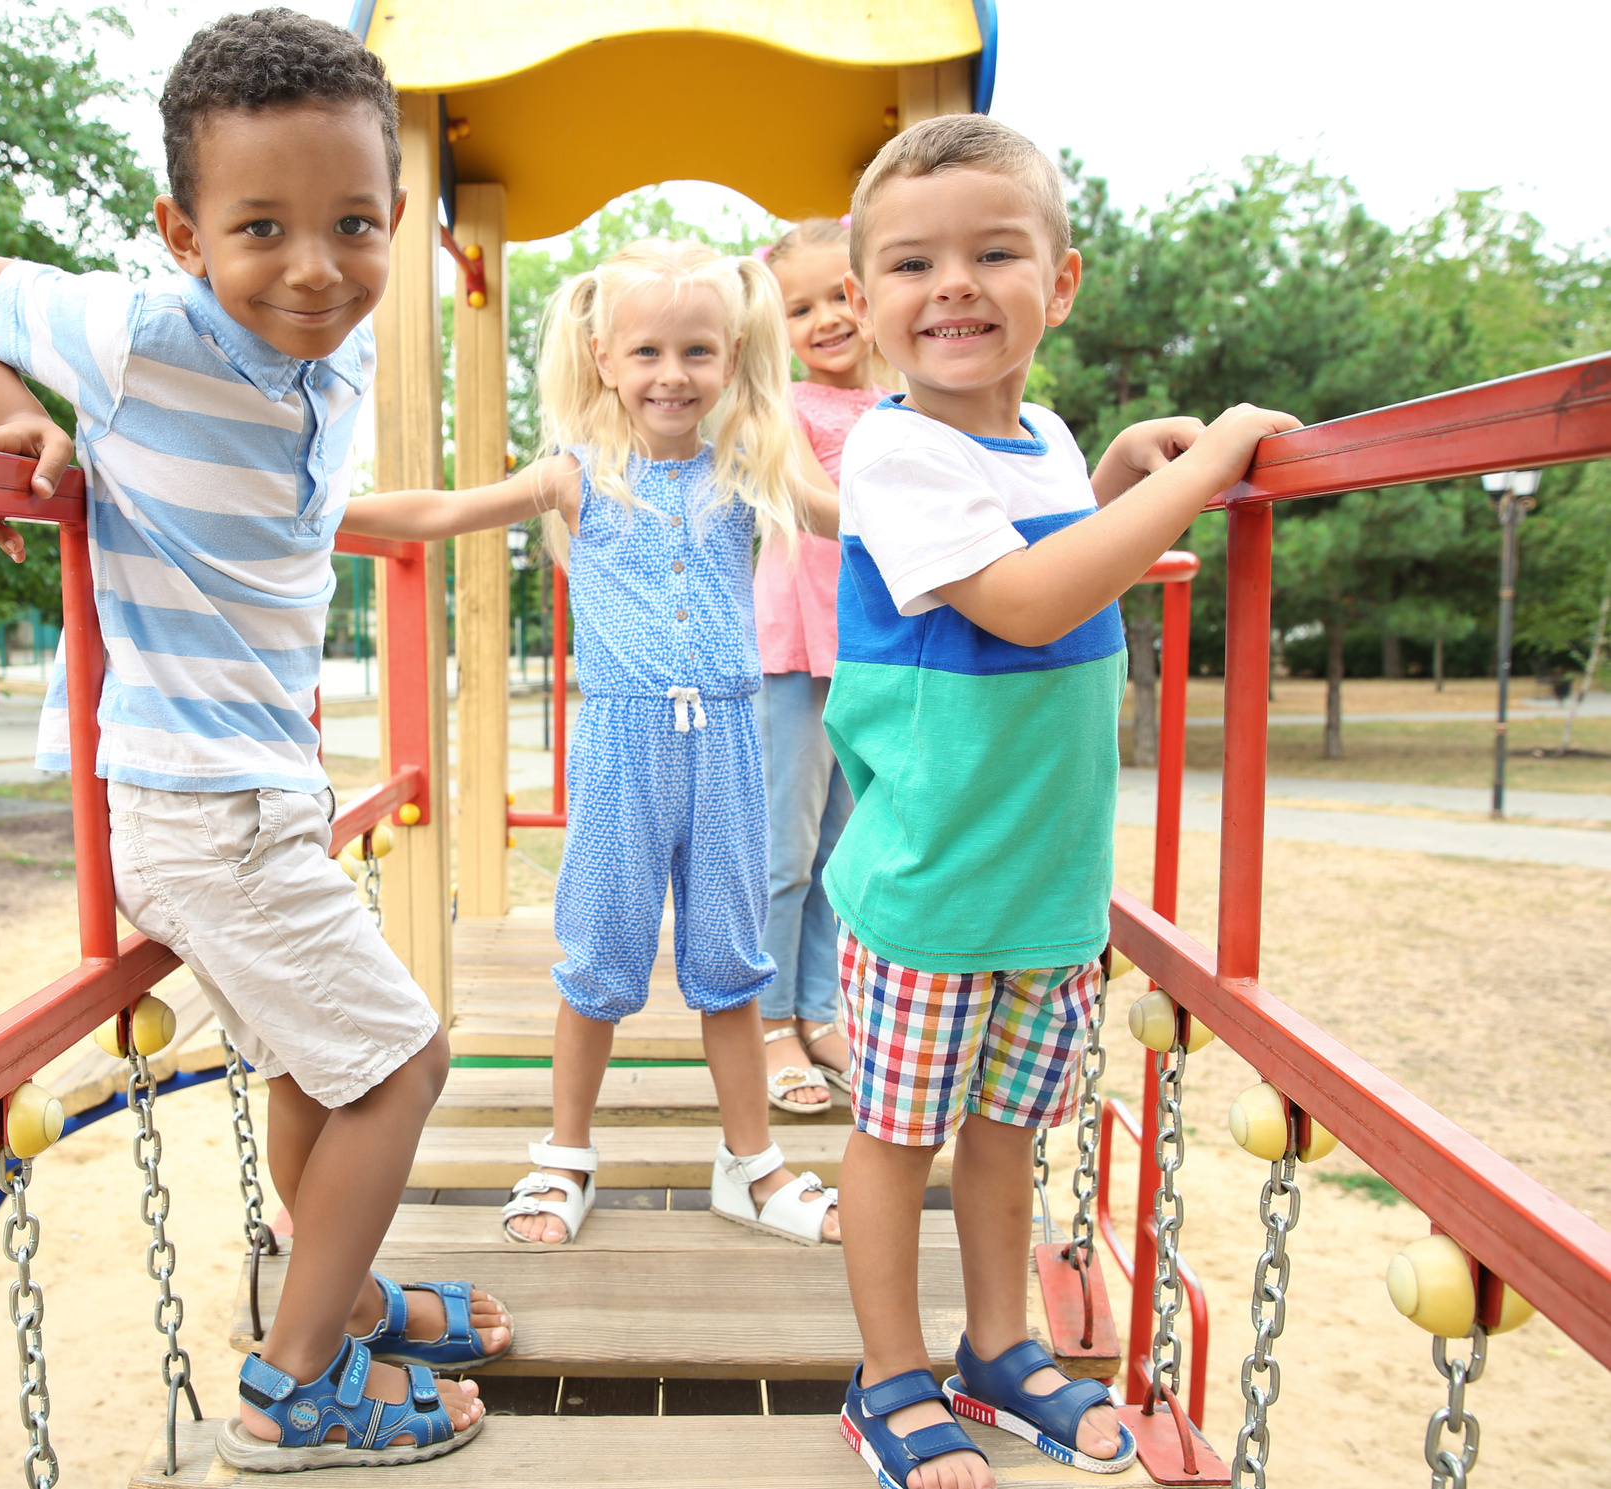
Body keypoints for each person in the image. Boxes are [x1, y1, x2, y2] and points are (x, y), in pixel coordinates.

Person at [0, 9, 509, 1472]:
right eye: (260, 229)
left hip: (264, 788)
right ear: (183, 233)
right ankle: (292, 1385)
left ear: (395, 221)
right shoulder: (139, 329)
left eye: (355, 225)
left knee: (322, 1068)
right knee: (400, 1061)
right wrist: (11, 420)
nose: (314, 268)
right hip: (194, 797)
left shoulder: (344, 350)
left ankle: (344, 1294)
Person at [825, 115, 1299, 1489]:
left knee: (1004, 1129)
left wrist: (1098, 483)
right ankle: (889, 1374)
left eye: (993, 252)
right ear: (863, 305)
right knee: (898, 1137)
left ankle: (995, 1343)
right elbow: (1027, 605)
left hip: (1042, 877)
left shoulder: (1038, 431)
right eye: (911, 264)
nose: (953, 285)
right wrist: (1209, 467)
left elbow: (1041, 546)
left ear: (1062, 281)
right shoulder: (892, 448)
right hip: (932, 876)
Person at [342, 238, 846, 1248]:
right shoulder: (576, 476)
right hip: (621, 747)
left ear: (732, 351)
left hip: (727, 748)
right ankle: (565, 1151)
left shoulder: (745, 467)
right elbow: (441, 511)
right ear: (602, 355)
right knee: (600, 958)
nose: (672, 375)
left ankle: (751, 1166)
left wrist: (1004, 520)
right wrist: (312, 515)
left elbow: (852, 519)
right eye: (647, 351)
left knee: (732, 962)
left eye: (697, 352)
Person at [752, 218, 888, 1116]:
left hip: (869, 645)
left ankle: (818, 1004)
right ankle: (767, 1021)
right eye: (800, 308)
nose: (827, 318)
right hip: (796, 644)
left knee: (845, 846)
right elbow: (808, 501)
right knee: (785, 849)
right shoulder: (784, 408)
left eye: (841, 293)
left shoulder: (900, 407)